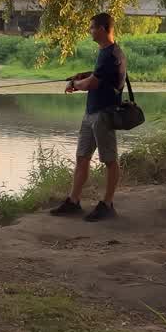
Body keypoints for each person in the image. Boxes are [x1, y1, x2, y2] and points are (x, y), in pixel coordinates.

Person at [49, 12, 127, 222]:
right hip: (91, 113)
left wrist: (75, 85)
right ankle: (73, 201)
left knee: (110, 160)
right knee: (82, 157)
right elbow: (98, 76)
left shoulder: (112, 53)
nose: (90, 31)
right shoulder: (105, 52)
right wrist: (83, 75)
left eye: (92, 27)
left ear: (102, 29)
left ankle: (107, 204)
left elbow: (94, 83)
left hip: (103, 114)